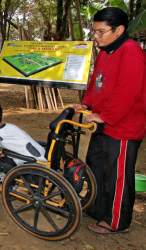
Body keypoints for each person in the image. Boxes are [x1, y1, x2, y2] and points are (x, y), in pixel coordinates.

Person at [73, 7, 146, 234]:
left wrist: (105, 116)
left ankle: (116, 221)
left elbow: (127, 92)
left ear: (119, 30)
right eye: (94, 32)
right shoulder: (106, 51)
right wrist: (87, 104)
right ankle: (96, 208)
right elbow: (98, 82)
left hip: (123, 127)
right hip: (103, 124)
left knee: (117, 176)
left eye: (100, 32)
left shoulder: (131, 52)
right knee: (96, 167)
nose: (96, 37)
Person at [0, 102, 47, 174]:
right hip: (40, 153)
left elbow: (13, 147)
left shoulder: (0, 136)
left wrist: (6, 153)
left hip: (33, 162)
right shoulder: (9, 126)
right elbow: (18, 144)